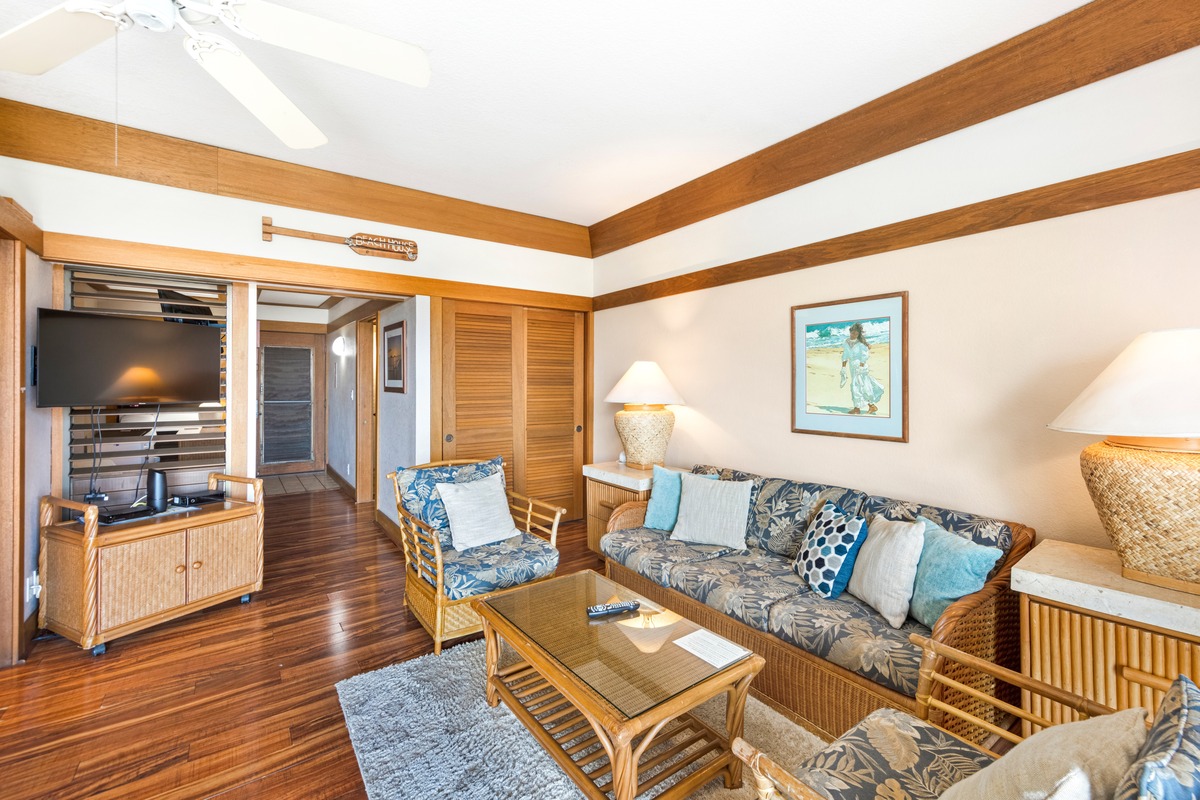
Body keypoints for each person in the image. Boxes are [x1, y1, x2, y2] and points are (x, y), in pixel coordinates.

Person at [840, 322, 884, 414]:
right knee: (857, 386)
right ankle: (858, 407)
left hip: (860, 367)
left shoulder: (860, 344)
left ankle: (869, 406)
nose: (853, 335)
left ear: (859, 334)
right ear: (850, 332)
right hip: (852, 366)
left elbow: (864, 356)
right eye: (852, 333)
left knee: (861, 386)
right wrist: (843, 367)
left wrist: (861, 367)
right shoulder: (846, 342)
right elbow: (845, 355)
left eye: (856, 334)